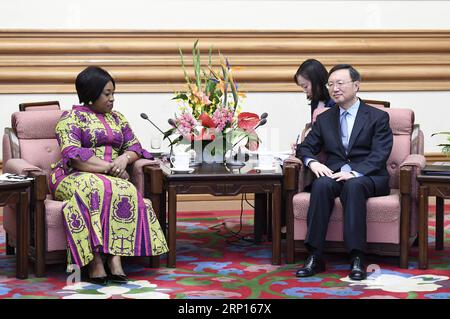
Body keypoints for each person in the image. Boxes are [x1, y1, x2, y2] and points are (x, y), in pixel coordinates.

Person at [49, 66, 168, 285]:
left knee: (127, 188)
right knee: (94, 188)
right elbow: (74, 157)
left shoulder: (118, 119)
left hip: (112, 175)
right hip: (73, 175)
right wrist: (110, 167)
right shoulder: (71, 118)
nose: (113, 99)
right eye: (107, 93)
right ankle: (94, 261)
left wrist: (124, 160)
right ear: (91, 94)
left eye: (113, 93)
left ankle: (115, 259)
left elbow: (135, 147)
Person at [295, 64, 393, 280]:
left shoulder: (378, 117)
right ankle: (315, 256)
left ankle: (357, 257)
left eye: (340, 83)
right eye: (331, 84)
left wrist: (356, 173)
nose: (334, 88)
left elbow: (380, 154)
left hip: (367, 176)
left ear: (356, 86)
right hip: (336, 174)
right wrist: (312, 163)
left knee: (353, 186)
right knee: (320, 184)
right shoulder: (324, 118)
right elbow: (305, 147)